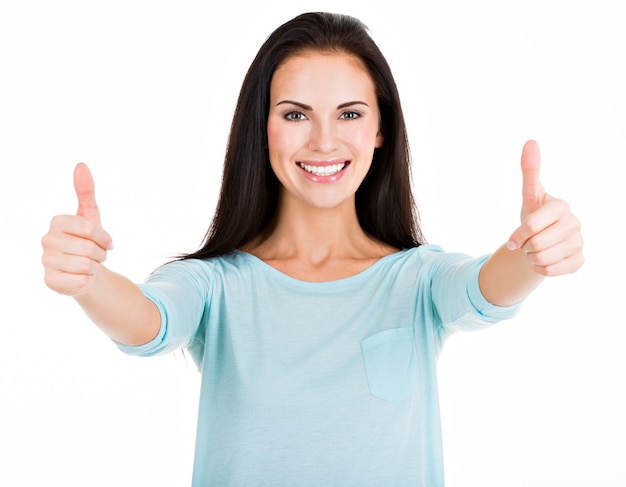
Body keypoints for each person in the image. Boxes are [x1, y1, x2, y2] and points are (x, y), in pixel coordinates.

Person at [41, 11, 584, 487]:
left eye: (349, 114)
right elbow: (151, 321)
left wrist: (533, 255)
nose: (324, 141)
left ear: (380, 130)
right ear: (264, 127)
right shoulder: (216, 284)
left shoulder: (417, 279)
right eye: (295, 114)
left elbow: (483, 287)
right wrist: (88, 281)